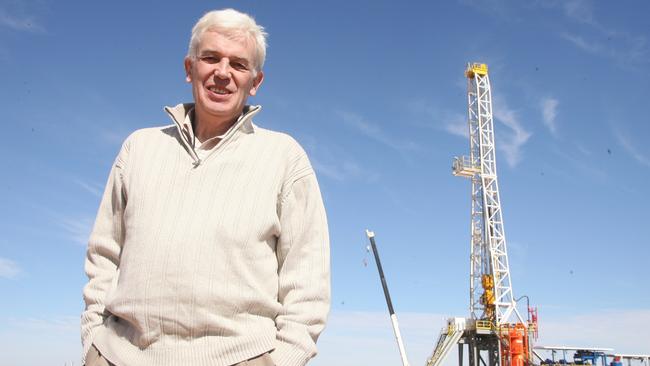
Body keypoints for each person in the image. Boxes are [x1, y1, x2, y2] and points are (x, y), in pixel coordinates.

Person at [81, 8, 330, 366]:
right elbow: (103, 256)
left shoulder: (284, 157)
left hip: (239, 356)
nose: (223, 73)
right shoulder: (138, 148)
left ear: (255, 81)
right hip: (121, 356)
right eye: (210, 58)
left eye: (239, 64)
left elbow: (307, 276)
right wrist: (96, 343)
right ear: (189, 68)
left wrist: (280, 360)